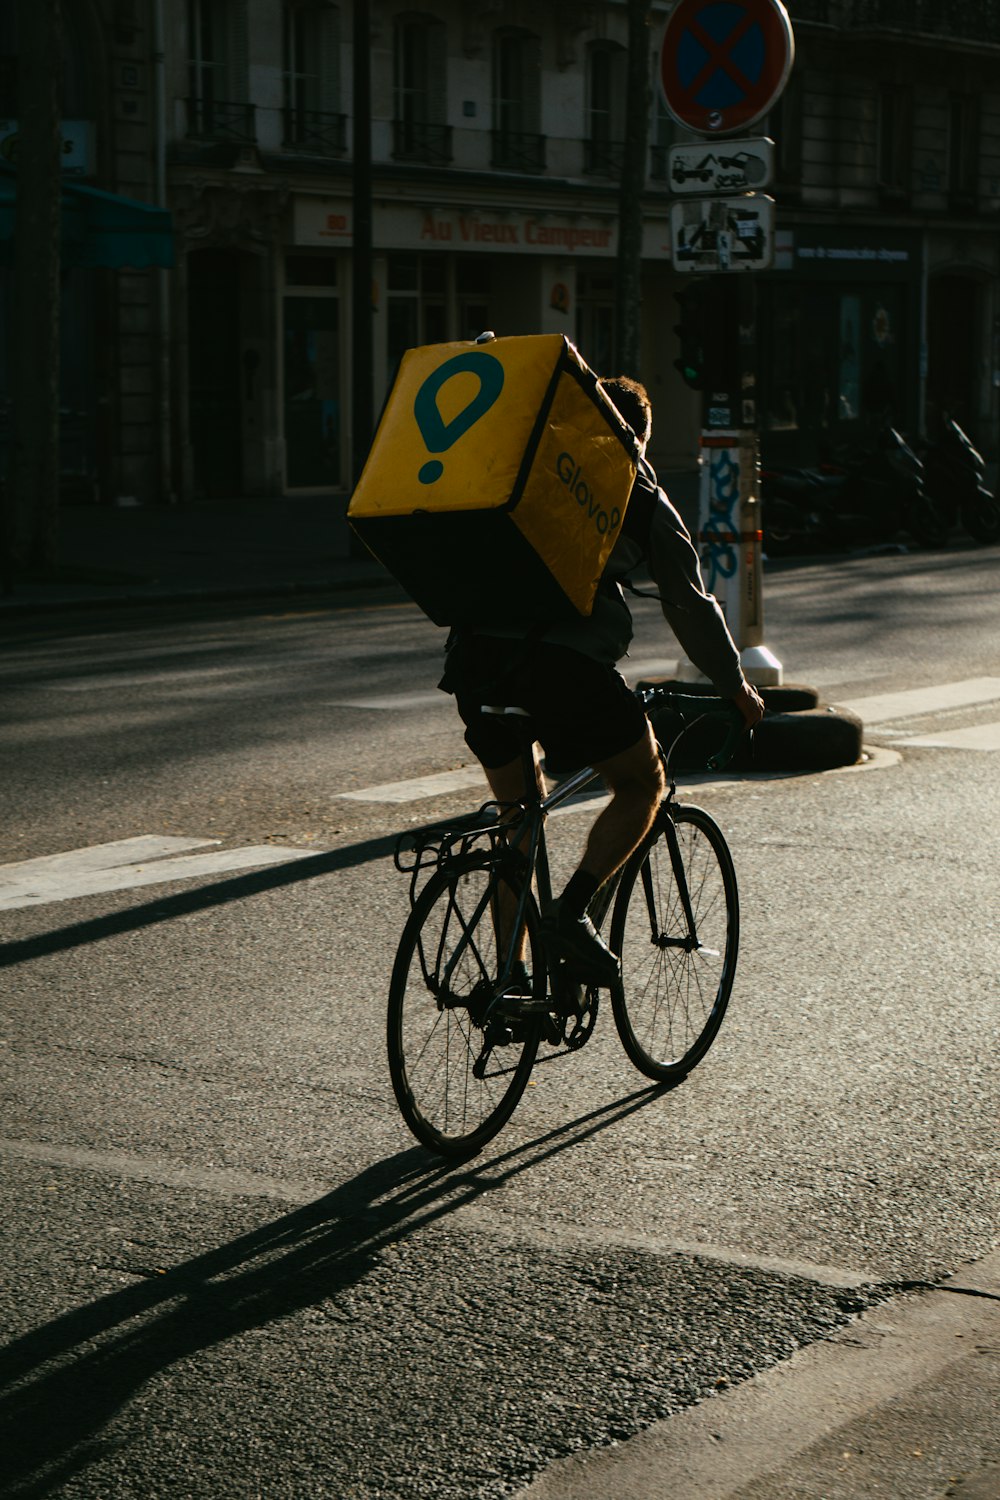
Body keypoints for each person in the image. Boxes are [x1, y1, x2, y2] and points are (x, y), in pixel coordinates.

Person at [440, 375, 764, 987]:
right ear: (638, 437)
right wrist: (735, 686)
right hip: (563, 670)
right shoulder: (638, 495)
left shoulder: (525, 468)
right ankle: (571, 913)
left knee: (517, 816)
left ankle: (511, 981)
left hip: (474, 663)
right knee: (643, 782)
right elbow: (689, 605)